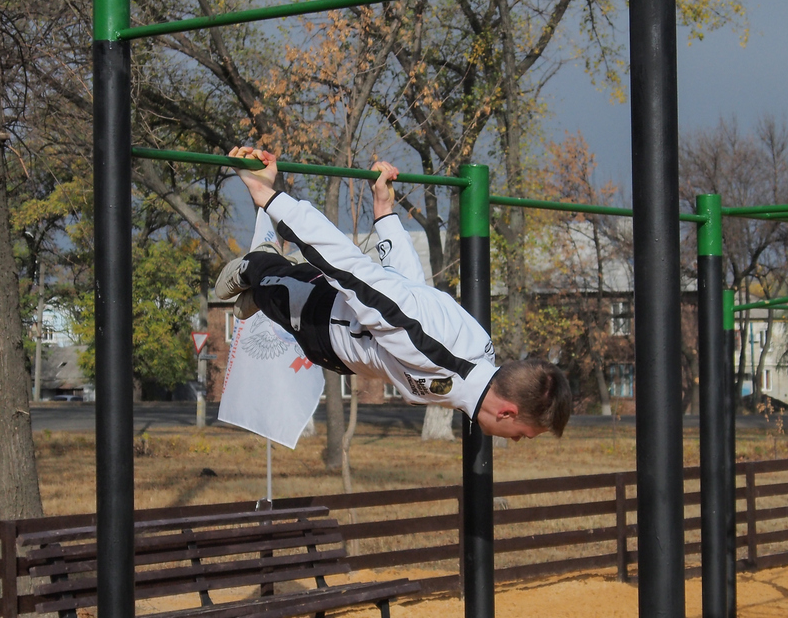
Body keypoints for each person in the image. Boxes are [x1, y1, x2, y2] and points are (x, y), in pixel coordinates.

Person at [216, 146, 571, 441]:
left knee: (278, 296)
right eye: (521, 435)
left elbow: (410, 292)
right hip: (318, 314)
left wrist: (385, 214)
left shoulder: (471, 358)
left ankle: (262, 287)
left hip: (342, 348)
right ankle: (256, 266)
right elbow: (355, 272)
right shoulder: (439, 353)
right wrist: (268, 196)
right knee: (269, 282)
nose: (515, 440)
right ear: (508, 412)